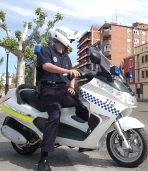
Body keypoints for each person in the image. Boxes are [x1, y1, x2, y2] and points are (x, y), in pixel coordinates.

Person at [36, 26, 80, 171]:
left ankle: (83, 143)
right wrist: (68, 70)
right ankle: (43, 159)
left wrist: (72, 86)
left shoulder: (66, 57)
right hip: (48, 89)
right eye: (71, 39)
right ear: (62, 36)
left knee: (83, 106)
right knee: (55, 115)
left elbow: (71, 75)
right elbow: (47, 66)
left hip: (62, 89)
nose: (71, 42)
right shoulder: (46, 50)